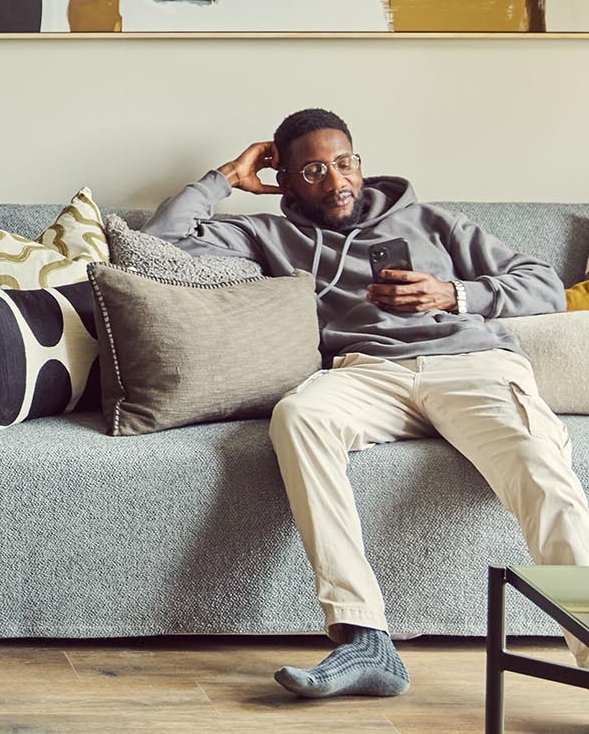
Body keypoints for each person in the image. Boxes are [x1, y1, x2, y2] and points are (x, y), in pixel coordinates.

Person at [145, 107, 589, 700]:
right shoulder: (270, 235)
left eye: (344, 163)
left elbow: (541, 284)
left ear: (361, 162)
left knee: (543, 473)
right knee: (299, 415)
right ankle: (364, 638)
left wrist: (454, 292)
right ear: (283, 180)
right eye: (312, 171)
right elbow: (157, 244)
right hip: (368, 372)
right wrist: (224, 176)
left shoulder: (433, 221)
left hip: (472, 364)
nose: (335, 182)